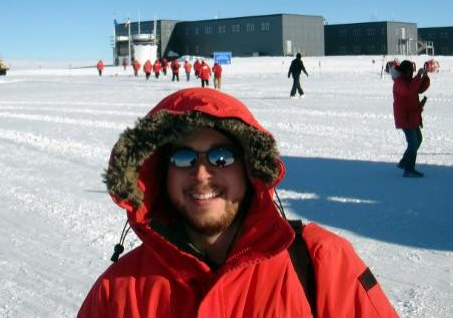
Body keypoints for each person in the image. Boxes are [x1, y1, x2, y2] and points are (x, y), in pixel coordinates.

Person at [78, 87, 399, 318]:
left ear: (250, 168)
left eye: (221, 156)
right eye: (183, 157)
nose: (201, 173)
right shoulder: (118, 292)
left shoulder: (321, 264)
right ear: (161, 174)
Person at [390, 60, 430, 178]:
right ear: (406, 71)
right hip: (405, 118)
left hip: (412, 116)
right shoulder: (399, 82)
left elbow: (419, 88)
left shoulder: (408, 80)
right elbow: (409, 90)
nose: (412, 73)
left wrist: (425, 77)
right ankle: (409, 169)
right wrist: (418, 76)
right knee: (413, 143)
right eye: (411, 71)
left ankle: (404, 162)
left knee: (418, 139)